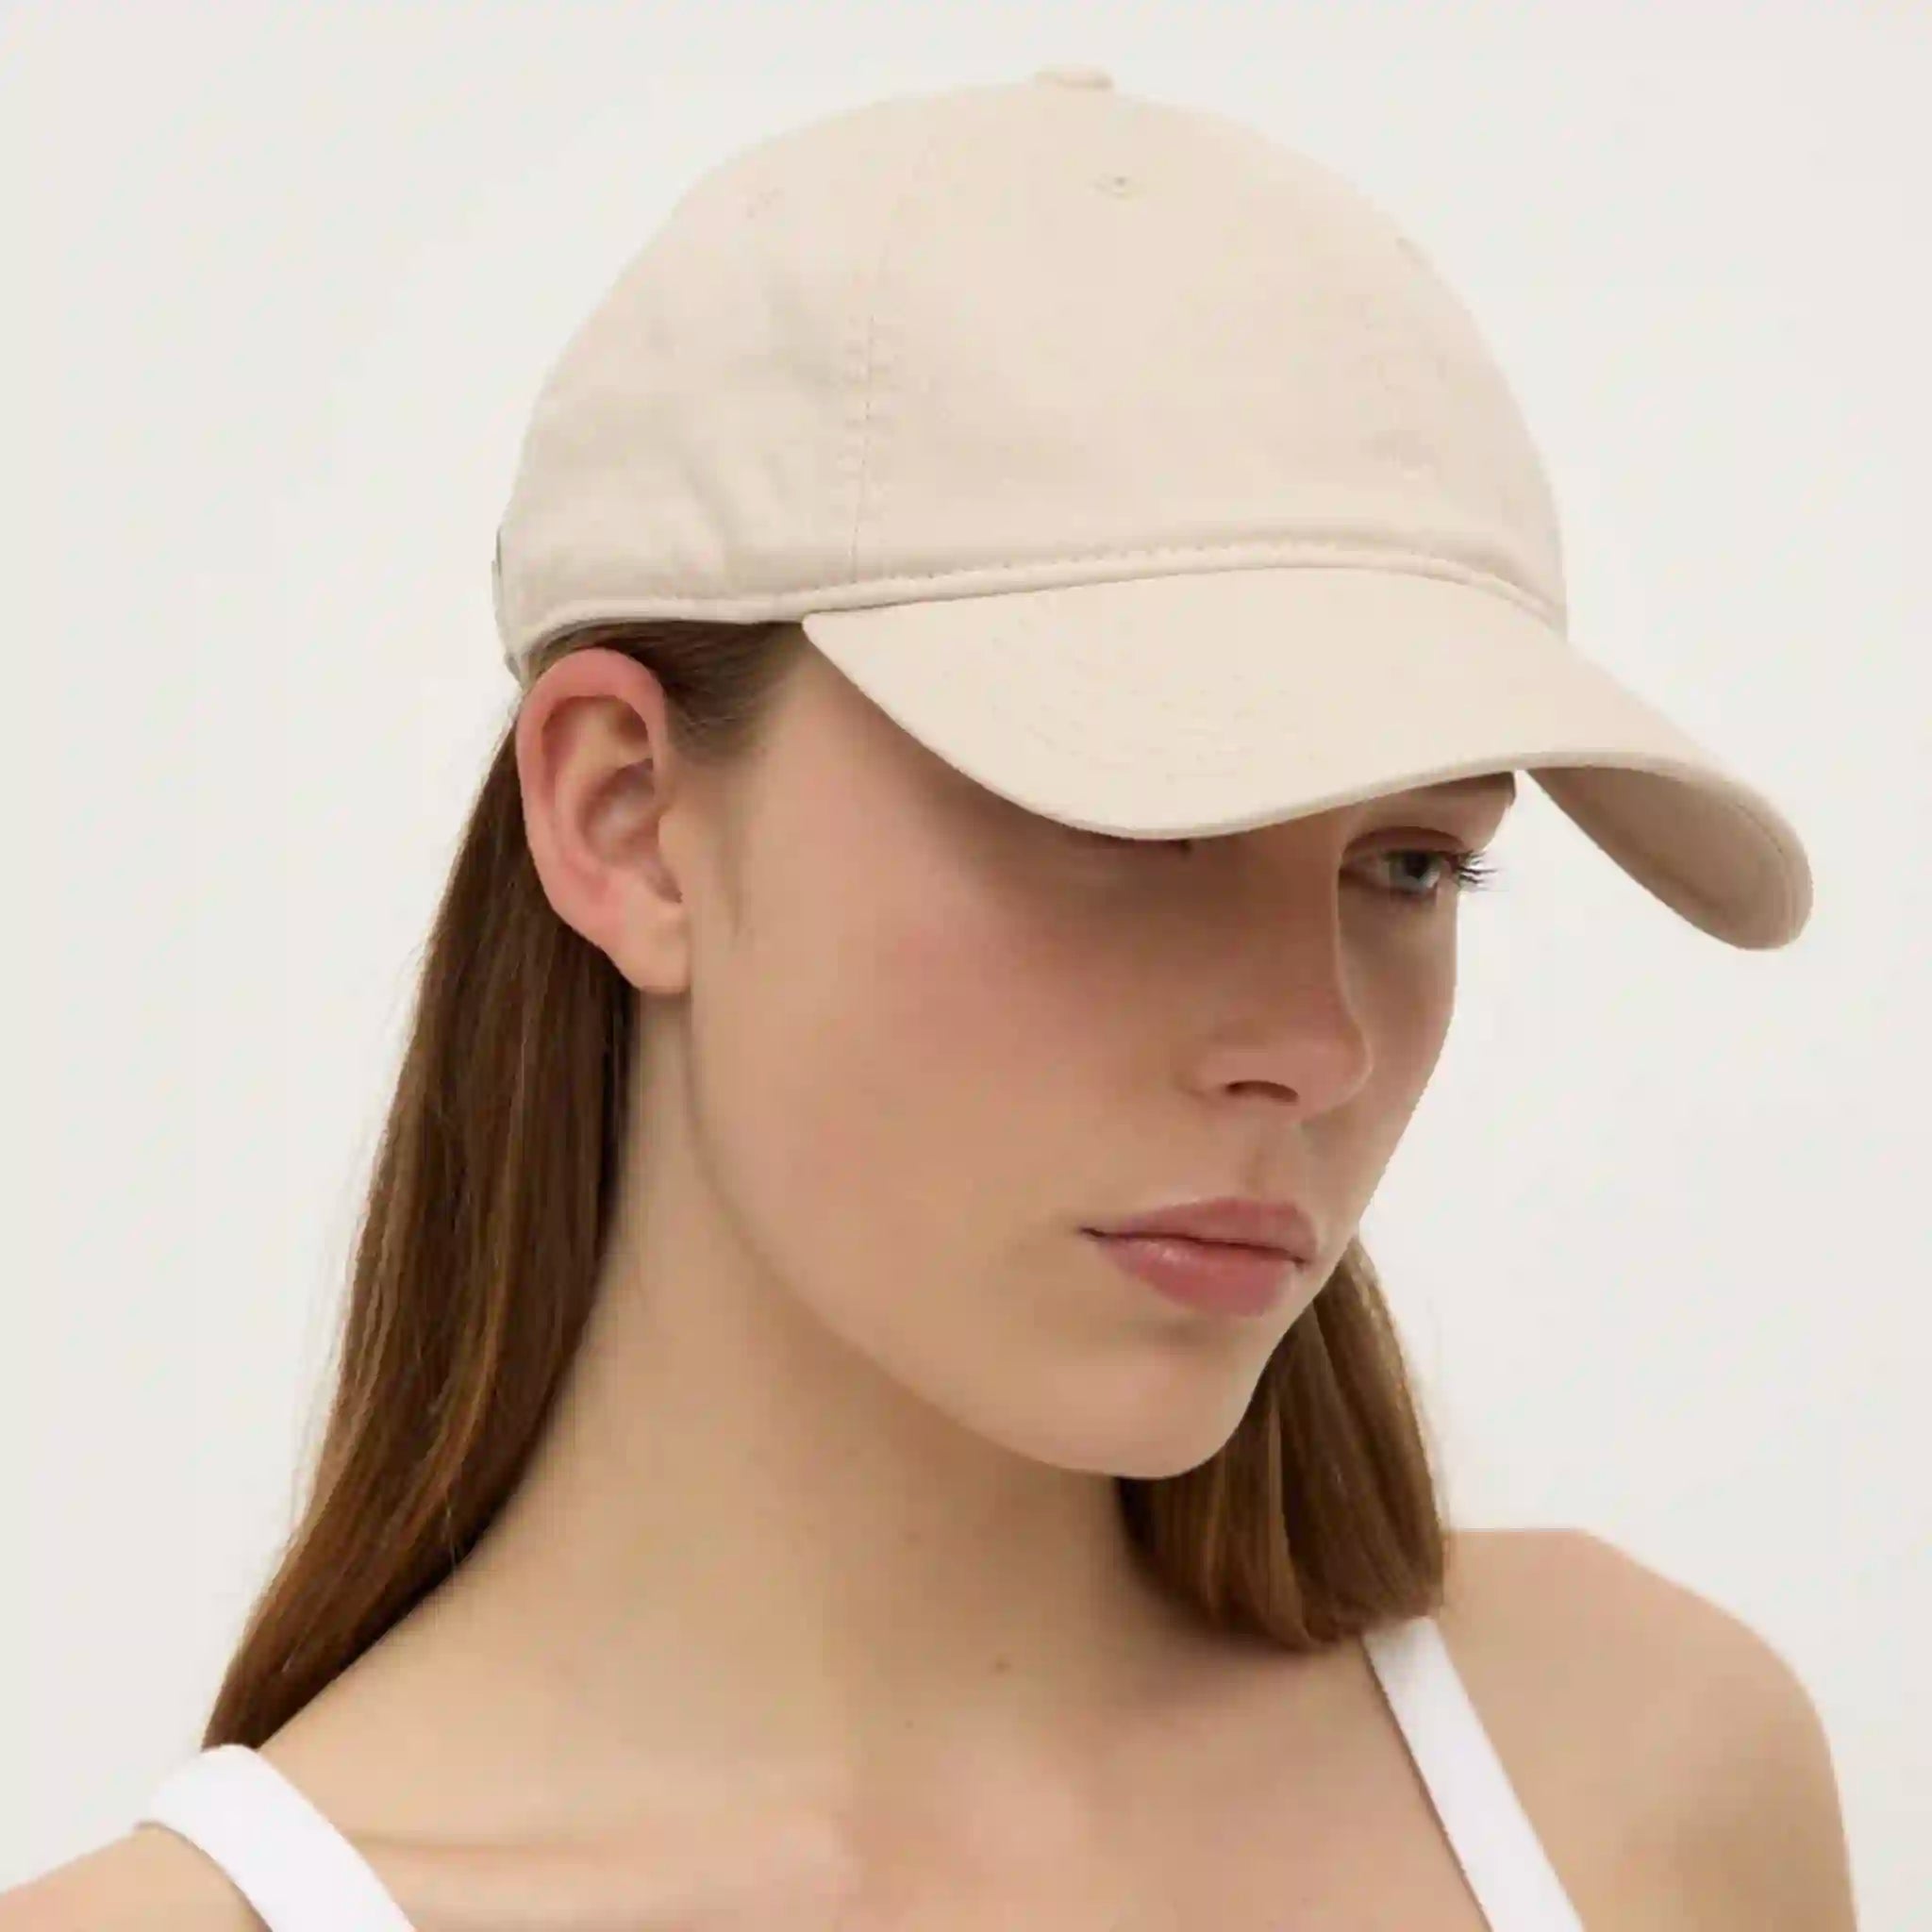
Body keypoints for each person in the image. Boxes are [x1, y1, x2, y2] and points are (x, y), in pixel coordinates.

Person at [10, 64, 1855, 1932]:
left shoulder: (1635, 1785)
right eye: (1136, 823)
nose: (1318, 1044)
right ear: (628, 819)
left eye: (1409, 866)